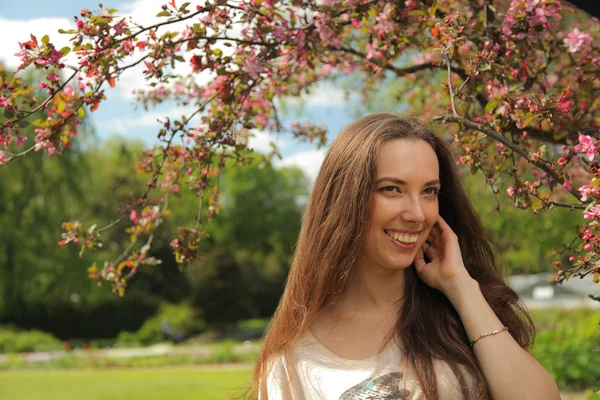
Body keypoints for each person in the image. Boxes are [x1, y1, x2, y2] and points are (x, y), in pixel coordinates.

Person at [251, 113, 560, 399]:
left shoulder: (460, 312)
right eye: (391, 189)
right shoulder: (292, 359)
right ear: (345, 197)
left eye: (429, 191)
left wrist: (461, 288)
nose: (416, 214)